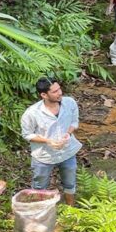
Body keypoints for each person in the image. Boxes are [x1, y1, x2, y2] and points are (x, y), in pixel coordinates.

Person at [20, 77, 82, 206]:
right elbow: (27, 134)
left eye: (59, 89)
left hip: (67, 151)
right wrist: (48, 141)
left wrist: (68, 133)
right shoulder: (32, 113)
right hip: (44, 156)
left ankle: (71, 211)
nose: (59, 93)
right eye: (54, 92)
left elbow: (74, 122)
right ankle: (38, 210)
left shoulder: (69, 103)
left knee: (70, 183)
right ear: (43, 95)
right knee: (39, 186)